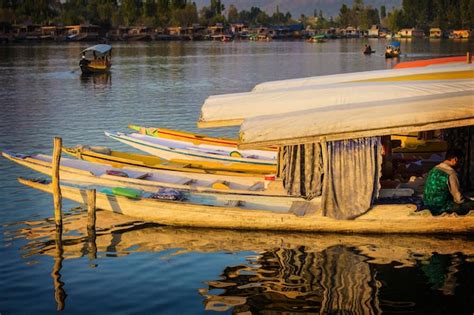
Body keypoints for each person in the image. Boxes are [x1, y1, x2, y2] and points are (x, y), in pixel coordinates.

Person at [423, 148, 474, 215]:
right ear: (455, 159)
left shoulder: (434, 169)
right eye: (461, 161)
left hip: (428, 205)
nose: (460, 165)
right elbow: (459, 199)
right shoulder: (450, 173)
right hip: (441, 208)